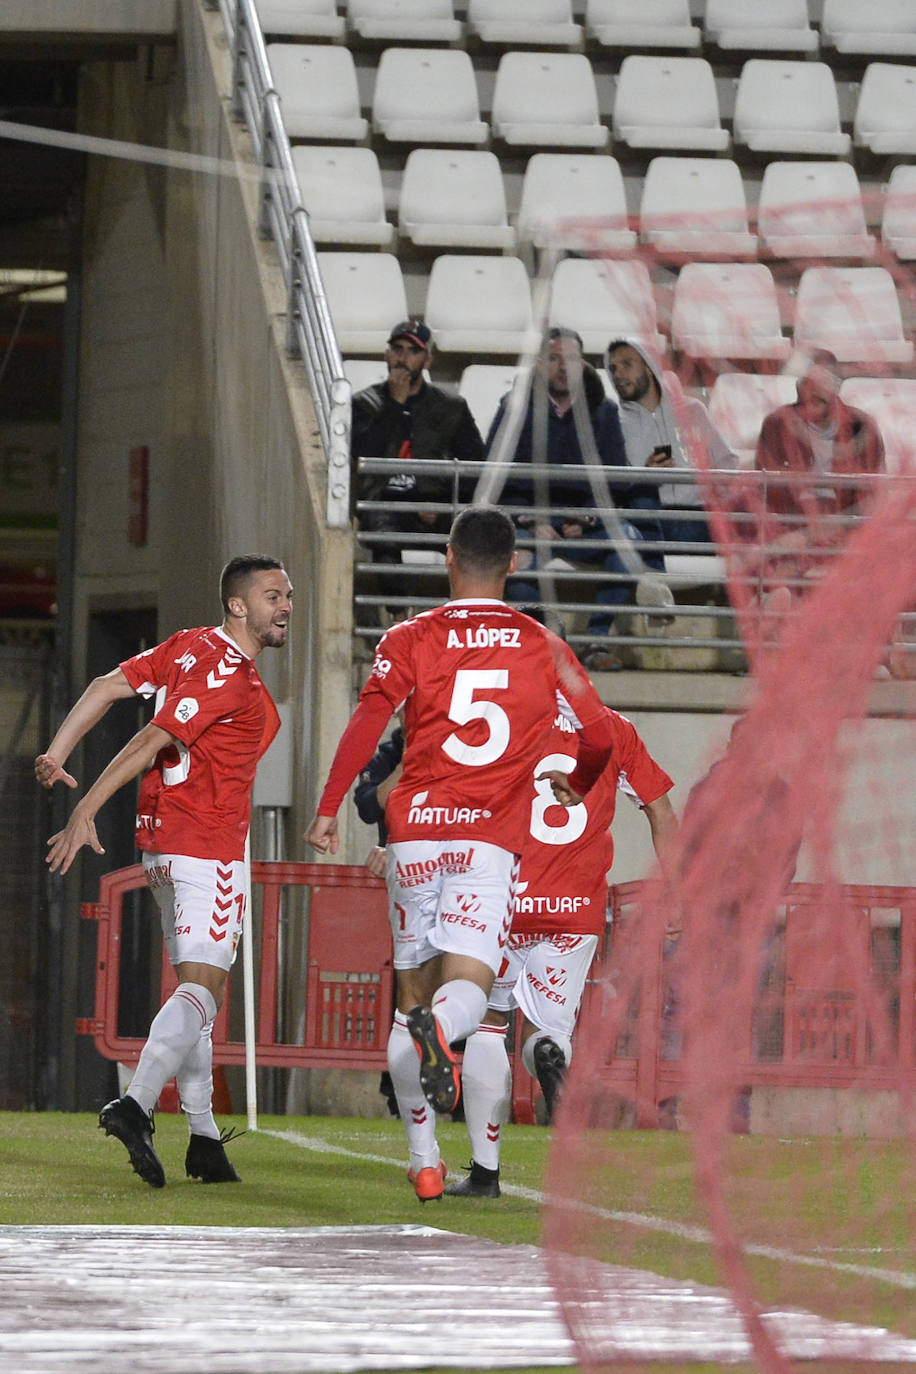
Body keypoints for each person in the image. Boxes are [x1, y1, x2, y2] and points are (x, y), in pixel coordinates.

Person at [305, 505, 615, 1201]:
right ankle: (441, 1036)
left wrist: (328, 807)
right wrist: (580, 780)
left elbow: (368, 721)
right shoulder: (543, 644)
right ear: (515, 564)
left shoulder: (410, 636)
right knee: (469, 990)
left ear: (447, 556)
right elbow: (598, 736)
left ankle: (425, 1161)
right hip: (485, 840)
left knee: (409, 999)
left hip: (415, 830)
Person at [35, 555, 292, 1187]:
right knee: (203, 992)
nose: (285, 606)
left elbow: (105, 686)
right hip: (208, 849)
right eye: (272, 596)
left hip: (163, 849)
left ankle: (203, 1138)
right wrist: (85, 809)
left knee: (196, 994)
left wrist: (57, 751)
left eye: (288, 595)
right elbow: (150, 739)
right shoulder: (232, 676)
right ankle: (137, 1104)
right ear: (237, 605)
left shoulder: (186, 645)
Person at [444, 707, 676, 1197]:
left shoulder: (498, 714)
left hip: (502, 902)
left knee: (488, 1024)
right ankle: (549, 1053)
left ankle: (485, 1173)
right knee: (548, 1030)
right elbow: (660, 809)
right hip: (574, 909)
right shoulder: (614, 728)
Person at [484, 327, 671, 673]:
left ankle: (596, 640)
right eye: (553, 358)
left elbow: (614, 478)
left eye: (570, 359)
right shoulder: (515, 406)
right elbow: (494, 474)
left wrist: (587, 516)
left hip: (582, 523)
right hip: (529, 522)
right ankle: (548, 644)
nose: (562, 367)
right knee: (513, 560)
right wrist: (529, 519)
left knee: (628, 540)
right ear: (540, 364)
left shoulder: (603, 410)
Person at [353, 318, 484, 617]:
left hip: (433, 503)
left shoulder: (450, 406)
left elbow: (475, 465)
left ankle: (471, 619)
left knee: (473, 539)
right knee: (383, 533)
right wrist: (394, 406)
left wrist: (441, 503)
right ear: (387, 354)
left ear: (427, 359)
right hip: (382, 501)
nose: (403, 357)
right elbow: (362, 455)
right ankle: (398, 618)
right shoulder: (365, 403)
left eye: (413, 351)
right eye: (397, 349)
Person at [606, 337, 738, 548]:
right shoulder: (613, 421)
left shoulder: (693, 410)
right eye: (613, 368)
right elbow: (614, 486)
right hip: (650, 516)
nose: (618, 374)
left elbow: (727, 463)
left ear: (649, 367)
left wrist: (712, 489)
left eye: (627, 365)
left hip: (699, 513)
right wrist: (645, 475)